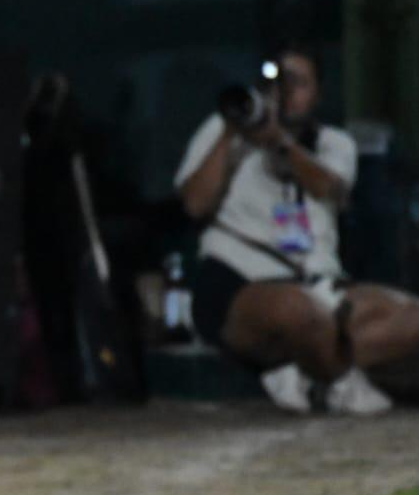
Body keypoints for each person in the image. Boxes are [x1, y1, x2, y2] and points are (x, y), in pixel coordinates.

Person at [176, 45, 419, 414]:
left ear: (319, 93)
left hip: (321, 282)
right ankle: (336, 378)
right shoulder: (221, 130)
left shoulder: (335, 143)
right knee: (300, 312)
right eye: (280, 83)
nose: (287, 93)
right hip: (239, 281)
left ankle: (308, 376)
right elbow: (195, 203)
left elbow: (328, 187)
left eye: (299, 83)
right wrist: (232, 133)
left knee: (408, 317)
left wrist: (278, 142)